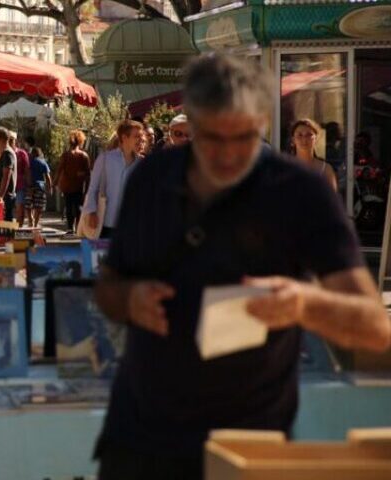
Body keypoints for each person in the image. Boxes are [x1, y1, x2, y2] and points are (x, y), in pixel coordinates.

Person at [93, 53, 391, 480]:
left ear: (265, 126)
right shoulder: (152, 179)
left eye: (246, 139)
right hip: (141, 437)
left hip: (246, 443)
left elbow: (372, 326)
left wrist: (303, 303)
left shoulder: (300, 191)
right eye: (214, 139)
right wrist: (130, 299)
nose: (230, 156)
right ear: (191, 126)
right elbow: (108, 287)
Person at [84, 120, 145, 239]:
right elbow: (93, 188)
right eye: (136, 136)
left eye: (141, 136)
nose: (140, 140)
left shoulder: (141, 163)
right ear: (124, 137)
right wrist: (91, 212)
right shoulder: (106, 158)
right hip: (106, 224)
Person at [54, 130, 91, 233]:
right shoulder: (84, 156)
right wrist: (87, 188)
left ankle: (70, 227)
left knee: (69, 206)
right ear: (80, 141)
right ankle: (78, 227)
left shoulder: (66, 155)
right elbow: (88, 174)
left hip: (67, 186)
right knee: (79, 207)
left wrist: (55, 183)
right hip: (79, 186)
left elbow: (59, 169)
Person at [290, 119, 338, 191]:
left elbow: (332, 198)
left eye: (309, 135)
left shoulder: (326, 170)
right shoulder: (284, 168)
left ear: (316, 139)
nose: (304, 139)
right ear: (293, 140)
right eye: (300, 135)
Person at [0, 127, 18, 221]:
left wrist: (0, 197)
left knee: (6, 226)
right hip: (5, 196)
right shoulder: (5, 153)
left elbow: (6, 176)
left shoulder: (7, 153)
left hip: (6, 197)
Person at [25, 147, 52, 228]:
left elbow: (27, 173)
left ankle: (30, 220)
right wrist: (50, 188)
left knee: (28, 205)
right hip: (40, 187)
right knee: (38, 207)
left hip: (30, 187)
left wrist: (29, 185)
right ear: (40, 154)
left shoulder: (29, 162)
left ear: (32, 154)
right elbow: (47, 177)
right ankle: (35, 224)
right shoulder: (43, 163)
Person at [9, 131, 31, 227]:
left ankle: (19, 228)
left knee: (20, 208)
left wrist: (29, 185)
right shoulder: (2, 153)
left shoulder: (22, 153)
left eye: (11, 140)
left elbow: (27, 170)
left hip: (20, 185)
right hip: (8, 185)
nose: (9, 142)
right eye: (8, 140)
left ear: (15, 141)